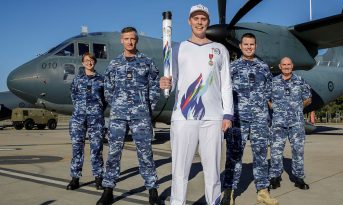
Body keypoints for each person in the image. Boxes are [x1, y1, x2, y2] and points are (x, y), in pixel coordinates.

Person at [159, 4, 233, 205]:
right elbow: (170, 80)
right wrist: (164, 82)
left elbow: (226, 84)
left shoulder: (220, 50)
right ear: (189, 21)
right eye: (195, 18)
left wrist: (228, 114)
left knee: (212, 171)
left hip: (213, 118)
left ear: (207, 22)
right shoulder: (177, 48)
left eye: (203, 19)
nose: (199, 22)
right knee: (180, 170)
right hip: (183, 117)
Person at [96, 27, 162, 205]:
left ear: (136, 40)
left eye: (132, 39)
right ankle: (108, 190)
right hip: (118, 115)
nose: (130, 42)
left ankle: (152, 190)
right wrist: (117, 104)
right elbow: (108, 90)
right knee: (114, 152)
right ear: (121, 40)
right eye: (126, 39)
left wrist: (146, 108)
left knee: (145, 153)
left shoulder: (147, 62)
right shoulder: (114, 64)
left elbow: (155, 88)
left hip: (141, 115)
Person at [220, 33, 278, 205]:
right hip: (238, 119)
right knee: (234, 156)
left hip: (259, 119)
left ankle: (262, 191)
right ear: (240, 46)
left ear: (256, 46)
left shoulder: (264, 67)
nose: (248, 47)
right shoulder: (232, 67)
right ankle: (229, 192)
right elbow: (224, 92)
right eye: (245, 44)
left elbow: (269, 93)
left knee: (260, 155)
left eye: (251, 44)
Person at [269, 57, 312, 190]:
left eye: (289, 64)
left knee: (298, 151)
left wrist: (299, 107)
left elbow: (308, 98)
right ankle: (275, 177)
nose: (286, 66)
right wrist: (273, 107)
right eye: (284, 65)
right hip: (278, 123)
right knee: (276, 151)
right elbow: (266, 99)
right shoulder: (273, 82)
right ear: (280, 66)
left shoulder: (300, 81)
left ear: (292, 66)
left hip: (296, 123)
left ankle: (299, 178)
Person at [66, 52, 105, 191]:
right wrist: (81, 109)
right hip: (78, 118)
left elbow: (105, 99)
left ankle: (99, 177)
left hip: (96, 118)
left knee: (96, 148)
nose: (89, 63)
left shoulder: (102, 80)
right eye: (86, 60)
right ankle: (75, 178)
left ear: (95, 62)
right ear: (83, 63)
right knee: (77, 147)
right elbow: (73, 96)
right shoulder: (77, 80)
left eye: (91, 60)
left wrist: (96, 109)